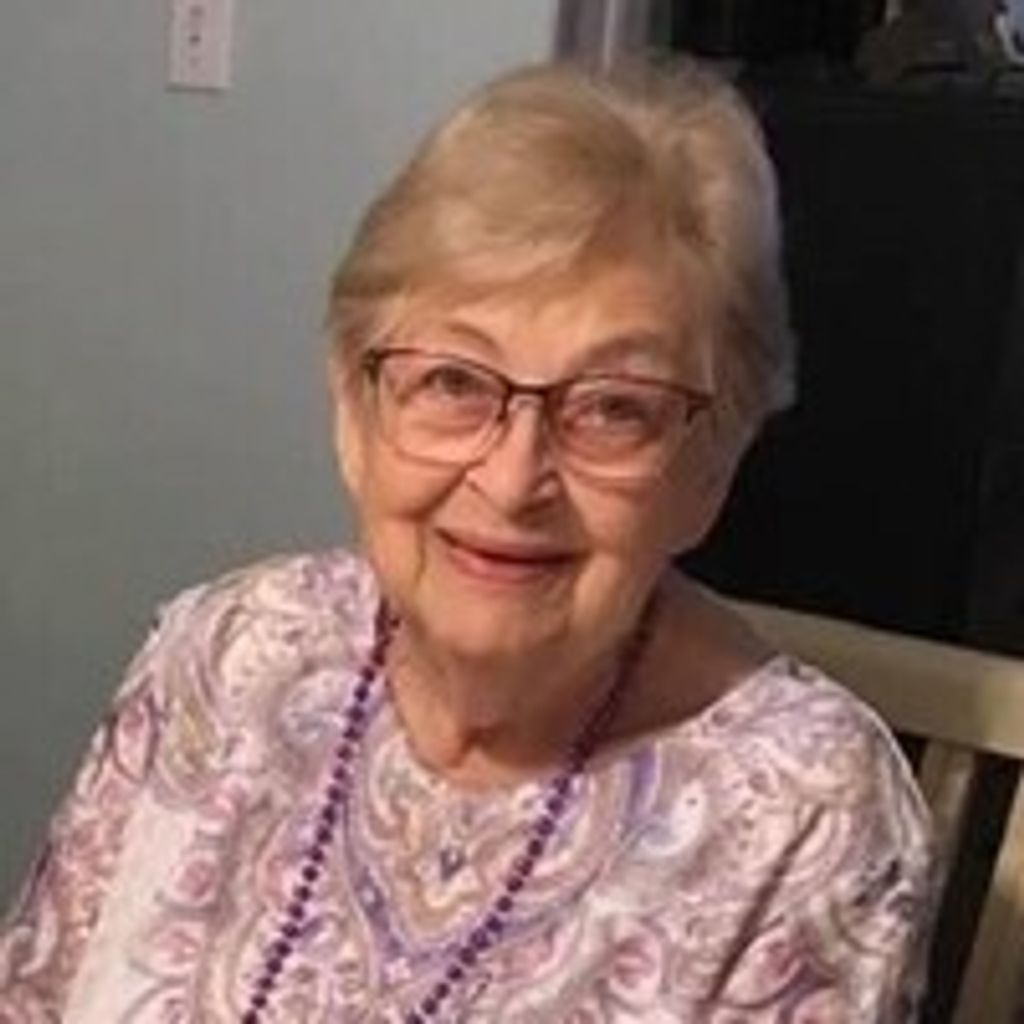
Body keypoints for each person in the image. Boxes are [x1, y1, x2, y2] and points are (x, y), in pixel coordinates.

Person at [0, 58, 934, 1022]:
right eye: (453, 382)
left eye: (614, 408)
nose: (512, 480)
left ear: (713, 463)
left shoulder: (801, 812)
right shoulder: (226, 651)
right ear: (355, 408)